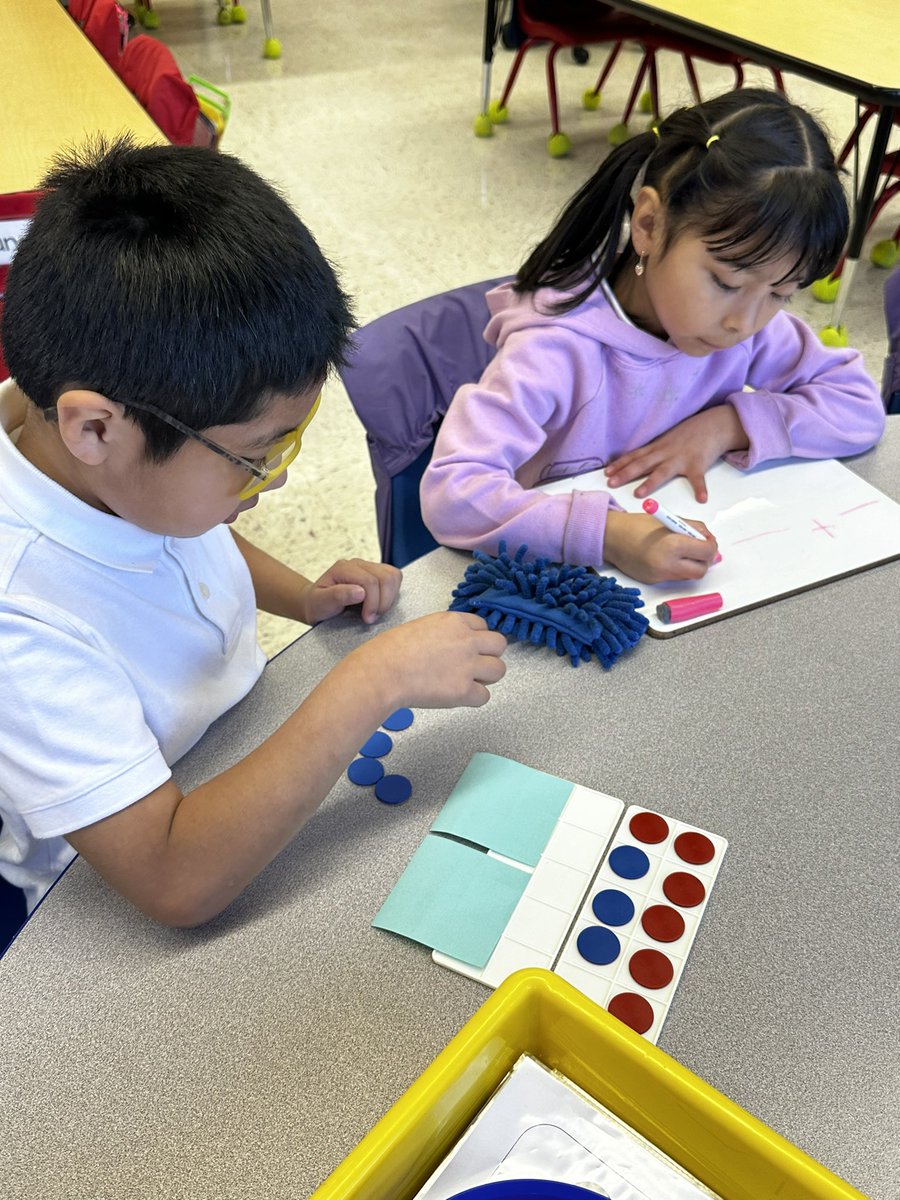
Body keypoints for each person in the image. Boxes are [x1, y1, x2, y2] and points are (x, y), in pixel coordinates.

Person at [0, 138, 506, 930]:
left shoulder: (91, 454)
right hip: (107, 882)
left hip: (233, 740)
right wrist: (368, 684)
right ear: (95, 428)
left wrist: (302, 597)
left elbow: (184, 528)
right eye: (255, 456)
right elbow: (173, 882)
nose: (277, 481)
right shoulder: (20, 622)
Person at [420, 88, 886, 584]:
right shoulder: (556, 349)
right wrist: (608, 535)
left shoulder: (744, 327)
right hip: (566, 590)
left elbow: (858, 406)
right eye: (725, 282)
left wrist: (728, 425)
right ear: (648, 224)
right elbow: (453, 494)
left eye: (782, 293)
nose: (744, 323)